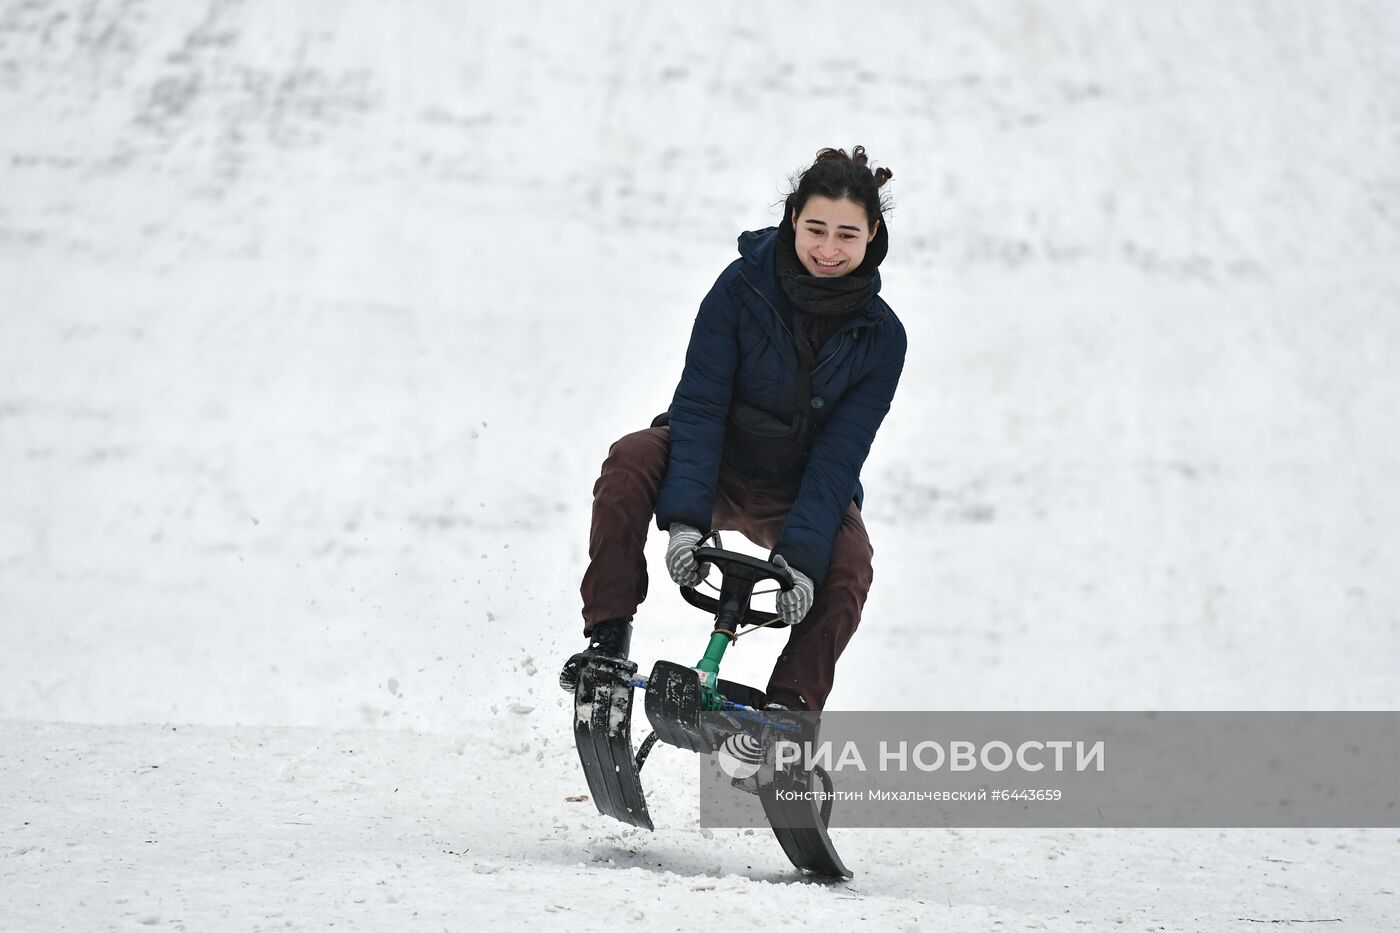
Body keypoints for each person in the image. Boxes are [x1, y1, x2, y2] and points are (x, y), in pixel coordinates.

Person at [560, 146, 906, 712]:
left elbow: (840, 457)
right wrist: (685, 521)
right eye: (816, 228)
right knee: (629, 461)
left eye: (847, 235)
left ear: (872, 235)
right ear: (792, 218)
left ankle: (790, 711)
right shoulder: (739, 289)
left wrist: (802, 559)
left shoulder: (883, 338)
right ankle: (607, 642)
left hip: (795, 493)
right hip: (715, 461)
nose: (827, 249)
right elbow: (700, 406)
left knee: (849, 564)